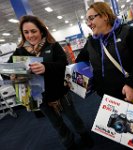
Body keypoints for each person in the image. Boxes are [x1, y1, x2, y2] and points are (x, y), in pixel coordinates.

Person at [7, 15, 93, 150]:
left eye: (33, 31)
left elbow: (63, 65)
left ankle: (85, 137)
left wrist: (46, 67)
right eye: (26, 32)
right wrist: (12, 75)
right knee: (57, 124)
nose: (30, 35)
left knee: (74, 118)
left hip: (60, 93)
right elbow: (8, 69)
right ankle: (69, 143)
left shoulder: (52, 46)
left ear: (41, 30)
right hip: (40, 98)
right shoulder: (20, 51)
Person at [76, 2, 133, 101]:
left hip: (129, 96)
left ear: (105, 16)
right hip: (104, 98)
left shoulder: (127, 32)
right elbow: (80, 61)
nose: (88, 24)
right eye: (87, 20)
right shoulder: (91, 42)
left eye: (91, 18)